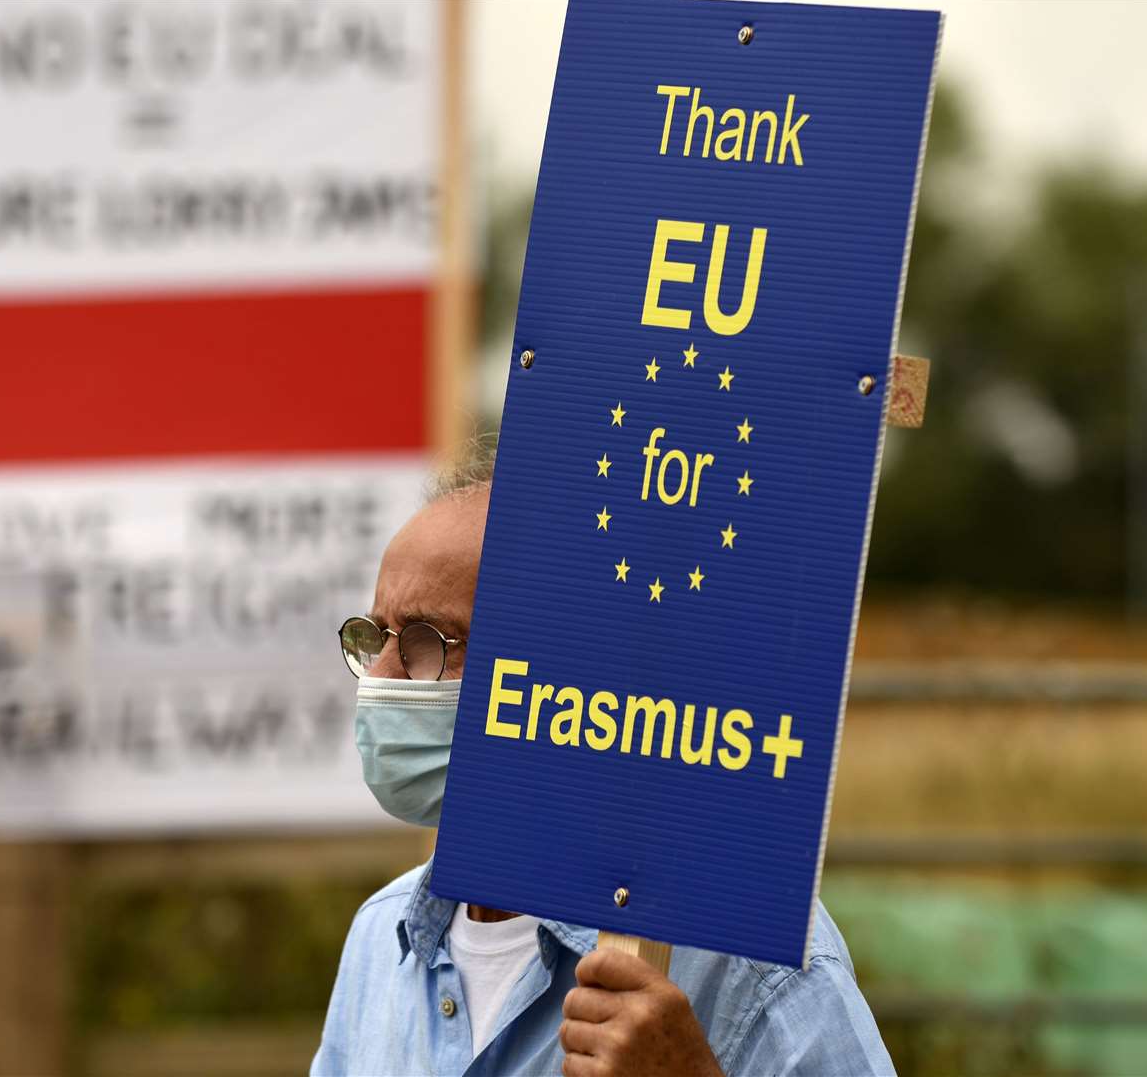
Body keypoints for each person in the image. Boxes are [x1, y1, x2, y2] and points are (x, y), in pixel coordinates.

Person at [312, 455, 895, 1077]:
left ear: (563, 671)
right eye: (375, 637)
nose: (379, 681)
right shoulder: (382, 939)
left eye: (428, 642)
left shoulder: (750, 959)